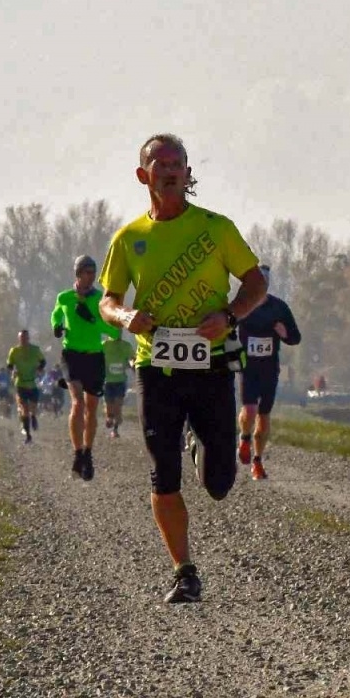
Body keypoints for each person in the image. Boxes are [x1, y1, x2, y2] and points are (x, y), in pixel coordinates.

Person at [99, 133, 267, 604]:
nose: (171, 171)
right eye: (160, 163)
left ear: (189, 173)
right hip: (155, 365)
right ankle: (184, 571)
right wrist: (127, 317)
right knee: (162, 470)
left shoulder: (216, 229)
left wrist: (230, 316)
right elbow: (108, 302)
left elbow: (256, 282)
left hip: (210, 363)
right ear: (143, 175)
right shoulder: (129, 239)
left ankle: (202, 444)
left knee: (217, 484)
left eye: (179, 164)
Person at [52, 254, 116, 481]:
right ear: (78, 274)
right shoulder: (64, 297)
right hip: (71, 356)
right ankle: (77, 451)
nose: (91, 277)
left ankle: (88, 452)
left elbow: (115, 332)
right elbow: (57, 314)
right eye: (87, 272)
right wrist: (57, 326)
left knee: (91, 409)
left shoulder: (101, 300)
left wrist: (92, 320)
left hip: (94, 357)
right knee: (77, 402)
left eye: (93, 273)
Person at [236, 264, 302, 481]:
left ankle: (257, 461)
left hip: (269, 369)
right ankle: (244, 438)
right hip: (248, 367)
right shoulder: (241, 306)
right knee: (250, 409)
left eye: (263, 284)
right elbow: (226, 328)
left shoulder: (279, 308)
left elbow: (295, 337)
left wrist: (284, 334)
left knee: (264, 415)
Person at [5, 330, 45, 443]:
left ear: (28, 338)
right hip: (20, 383)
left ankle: (33, 417)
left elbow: (43, 361)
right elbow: (9, 365)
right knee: (24, 409)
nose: (23, 340)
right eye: (21, 338)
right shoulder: (14, 351)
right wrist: (13, 371)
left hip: (32, 383)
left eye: (25, 338)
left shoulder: (35, 350)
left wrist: (39, 369)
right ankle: (28, 435)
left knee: (33, 408)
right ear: (19, 339)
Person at [102, 331, 135, 437]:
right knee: (109, 407)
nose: (118, 333)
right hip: (107, 381)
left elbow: (131, 358)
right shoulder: (104, 345)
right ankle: (109, 418)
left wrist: (133, 365)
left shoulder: (126, 346)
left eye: (119, 331)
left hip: (120, 381)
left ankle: (115, 430)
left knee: (118, 405)